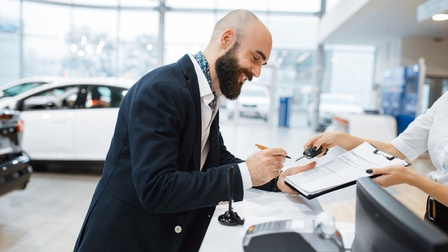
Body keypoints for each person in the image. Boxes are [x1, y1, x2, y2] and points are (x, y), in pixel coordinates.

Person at [73, 9, 315, 252]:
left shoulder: (207, 96)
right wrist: (247, 174)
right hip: (123, 241)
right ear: (227, 39)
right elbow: (156, 188)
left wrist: (274, 179)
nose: (257, 72)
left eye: (262, 64)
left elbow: (215, 158)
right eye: (254, 57)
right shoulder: (162, 90)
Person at [304, 91, 448, 234]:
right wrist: (339, 138)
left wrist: (411, 178)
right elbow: (393, 149)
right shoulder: (444, 101)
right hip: (434, 217)